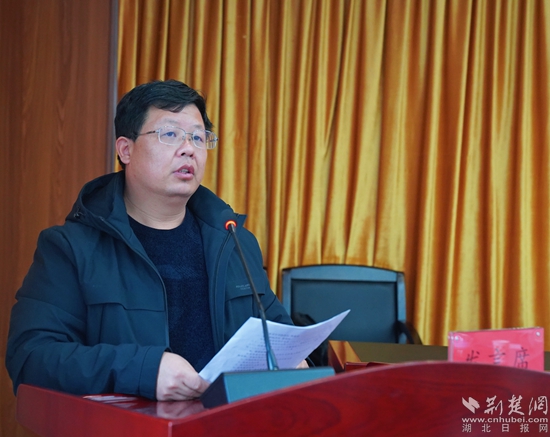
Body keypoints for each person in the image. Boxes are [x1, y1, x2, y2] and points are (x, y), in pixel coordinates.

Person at [6, 79, 301, 401]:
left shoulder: (235, 242)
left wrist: (296, 361)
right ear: (126, 149)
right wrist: (143, 371)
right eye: (170, 134)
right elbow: (31, 357)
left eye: (198, 137)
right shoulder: (70, 248)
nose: (188, 148)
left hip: (228, 422)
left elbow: (282, 336)